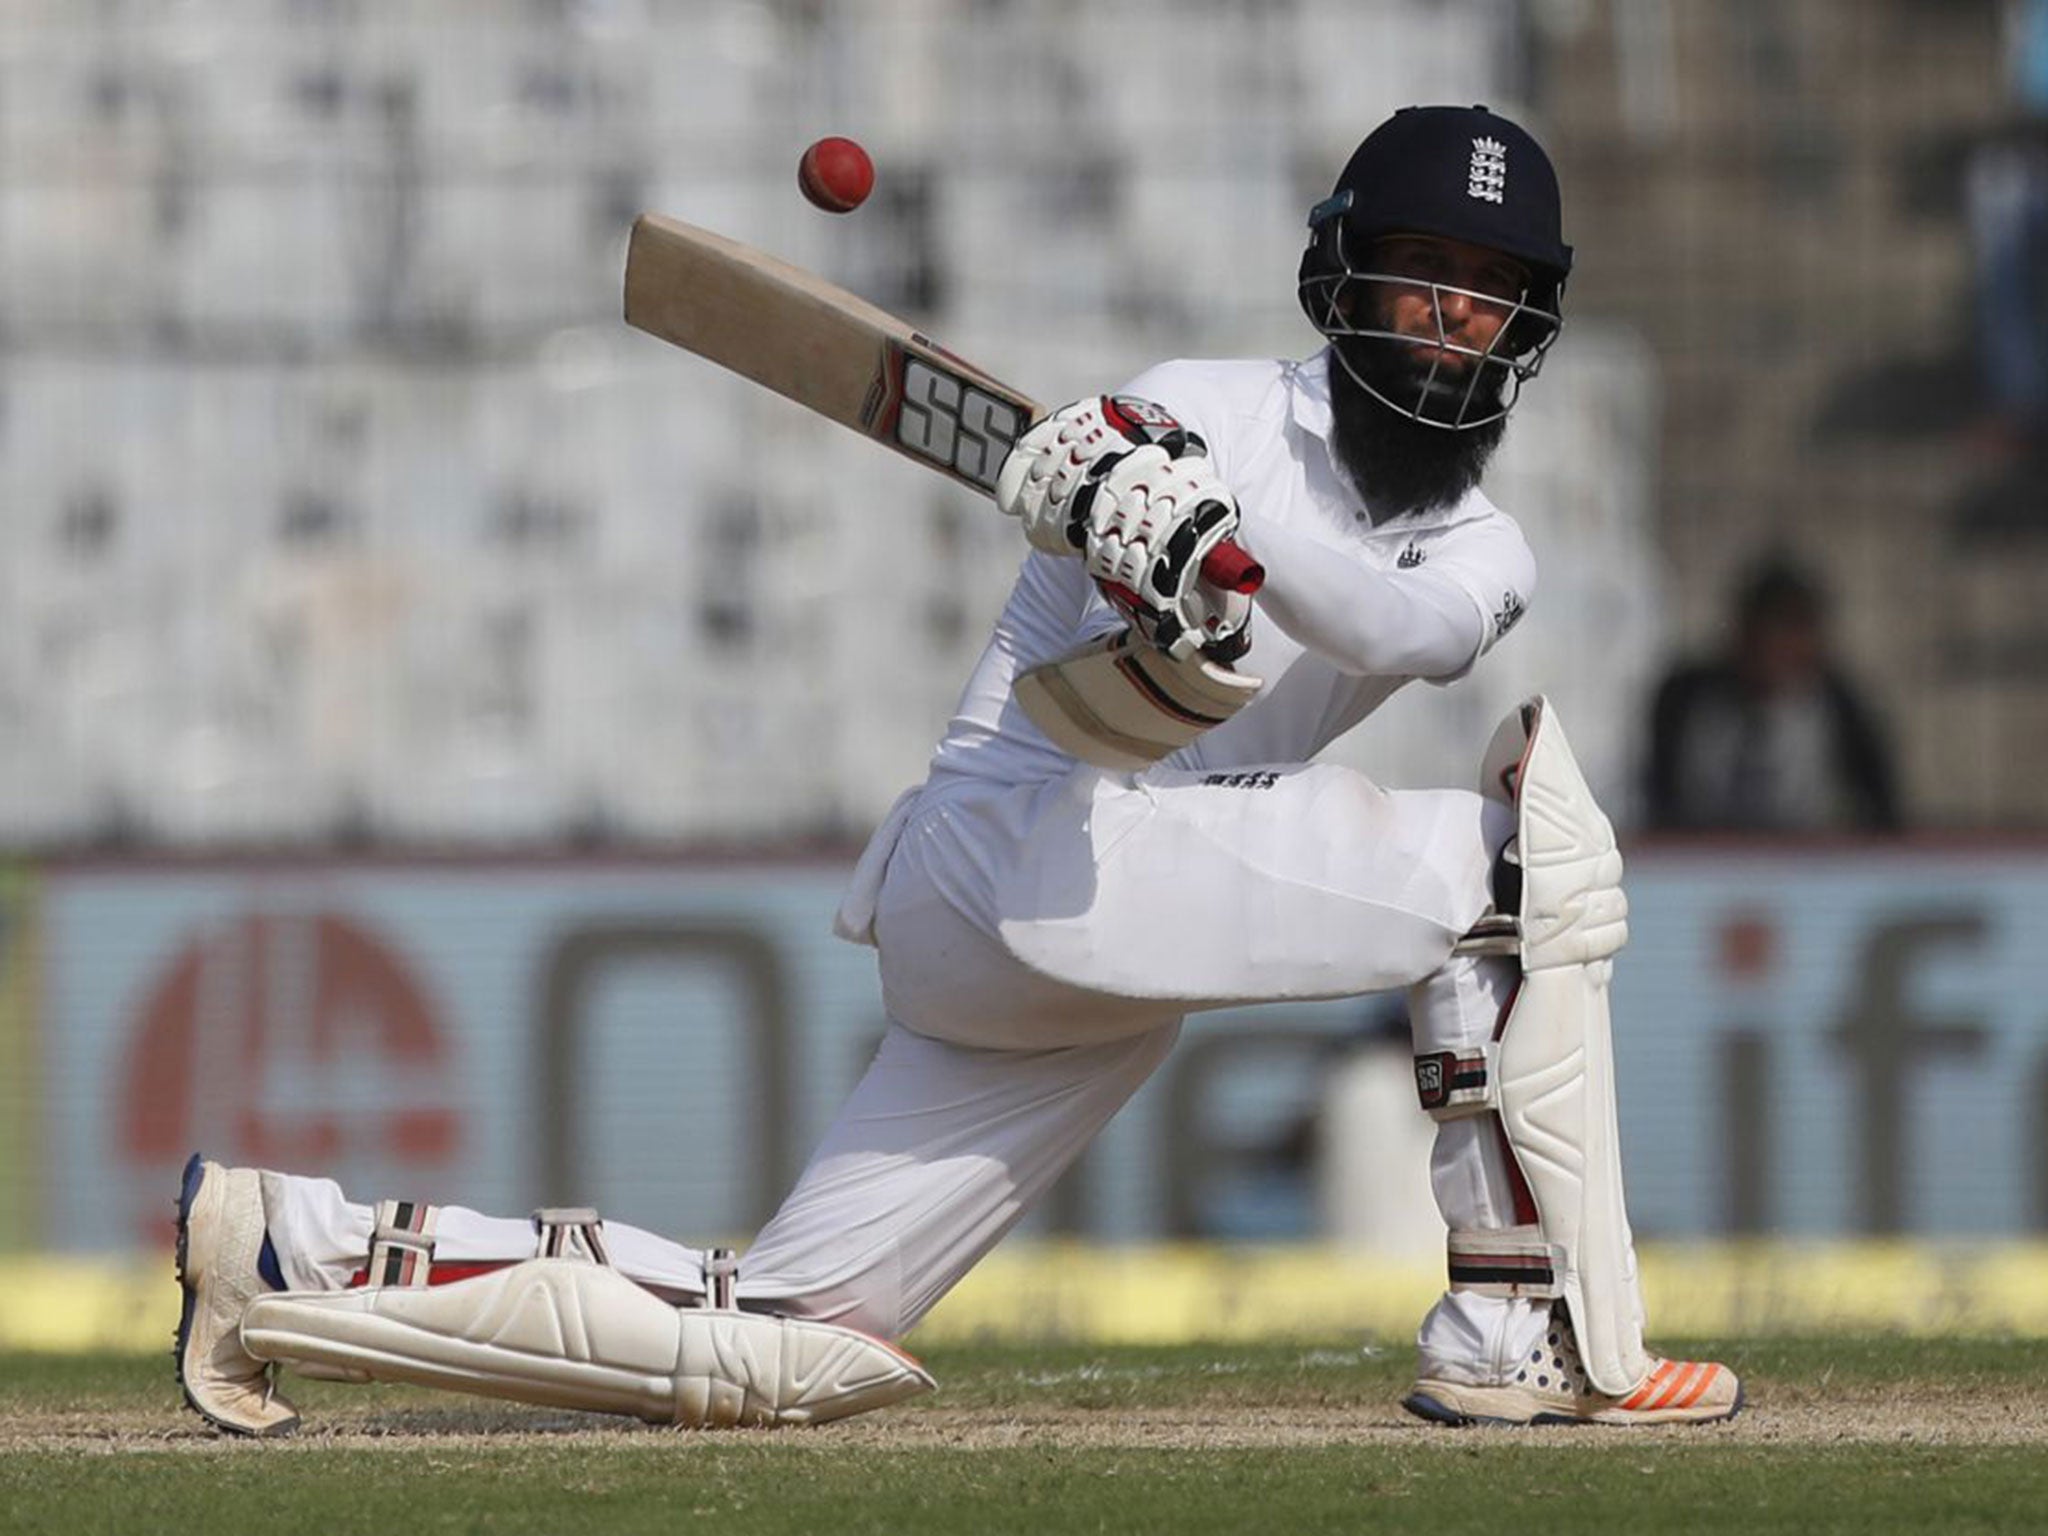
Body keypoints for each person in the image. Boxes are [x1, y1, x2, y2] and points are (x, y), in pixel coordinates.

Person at [176, 105, 1740, 1436]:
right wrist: (1124, 516)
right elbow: (1126, 668)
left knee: (789, 1343)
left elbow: (1399, 626)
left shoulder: (1486, 547)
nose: (1460, 315)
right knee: (1515, 860)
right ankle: (1517, 1339)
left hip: (1109, 927)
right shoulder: (1199, 408)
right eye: (1430, 274)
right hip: (1022, 846)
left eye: (1495, 290)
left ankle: (286, 1253)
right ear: (1345, 275)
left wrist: (1229, 562)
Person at [1645, 555, 1900, 834]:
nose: (1777, 648)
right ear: (1743, 632)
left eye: (1794, 632)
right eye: (1769, 631)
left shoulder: (1842, 712)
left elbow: (1883, 813)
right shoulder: (1686, 699)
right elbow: (1656, 797)